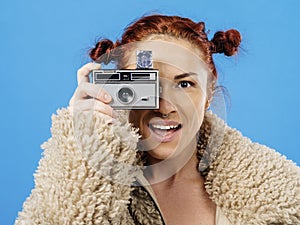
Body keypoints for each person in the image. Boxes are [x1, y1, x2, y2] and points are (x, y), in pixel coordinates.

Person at [15, 14, 299, 225]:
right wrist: (86, 145)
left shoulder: (282, 190)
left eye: (184, 85)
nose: (165, 107)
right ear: (118, 88)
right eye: (147, 86)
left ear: (209, 95)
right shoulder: (81, 186)